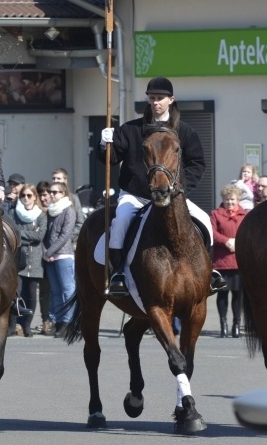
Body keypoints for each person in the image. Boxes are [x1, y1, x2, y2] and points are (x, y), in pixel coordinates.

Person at [98, 76, 227, 296]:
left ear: (171, 100)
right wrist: (104, 144)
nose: (156, 102)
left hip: (172, 195)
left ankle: (210, 272)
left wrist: (180, 188)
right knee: (121, 222)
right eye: (152, 98)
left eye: (160, 98)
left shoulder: (185, 131)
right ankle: (118, 272)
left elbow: (197, 163)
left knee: (205, 219)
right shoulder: (130, 130)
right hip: (136, 195)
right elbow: (110, 160)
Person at [8, 184, 47, 337]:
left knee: (31, 295)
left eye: (29, 196)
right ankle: (12, 325)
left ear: (35, 197)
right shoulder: (13, 213)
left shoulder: (41, 215)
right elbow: (12, 233)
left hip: (34, 260)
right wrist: (29, 233)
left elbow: (40, 236)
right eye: (23, 195)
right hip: (17, 258)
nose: (26, 198)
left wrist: (21, 234)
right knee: (15, 294)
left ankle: (27, 325)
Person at [210, 184, 248, 338]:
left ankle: (236, 325)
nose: (229, 202)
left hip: (239, 260)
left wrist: (237, 242)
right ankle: (223, 325)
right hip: (222, 261)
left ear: (238, 199)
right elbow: (212, 232)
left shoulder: (245, 215)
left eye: (232, 199)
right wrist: (226, 241)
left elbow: (248, 232)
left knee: (238, 295)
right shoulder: (215, 214)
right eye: (227, 199)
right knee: (222, 294)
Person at [43, 181, 76, 338]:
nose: (51, 194)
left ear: (63, 194)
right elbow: (44, 233)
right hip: (50, 257)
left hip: (63, 255)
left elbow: (65, 235)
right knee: (55, 290)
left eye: (55, 192)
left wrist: (49, 251)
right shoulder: (49, 211)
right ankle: (58, 320)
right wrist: (45, 251)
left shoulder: (69, 210)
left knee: (67, 290)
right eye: (50, 192)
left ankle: (68, 322)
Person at [35, 181, 54, 336]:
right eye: (40, 195)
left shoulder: (55, 211)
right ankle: (45, 320)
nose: (43, 198)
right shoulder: (35, 212)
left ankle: (58, 320)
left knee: (59, 289)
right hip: (39, 257)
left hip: (55, 256)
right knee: (44, 291)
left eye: (45, 194)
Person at [51, 168, 84, 242]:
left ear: (65, 180)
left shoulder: (73, 199)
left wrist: (67, 239)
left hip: (67, 245)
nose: (55, 181)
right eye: (54, 178)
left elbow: (80, 223)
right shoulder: (50, 198)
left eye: (58, 178)